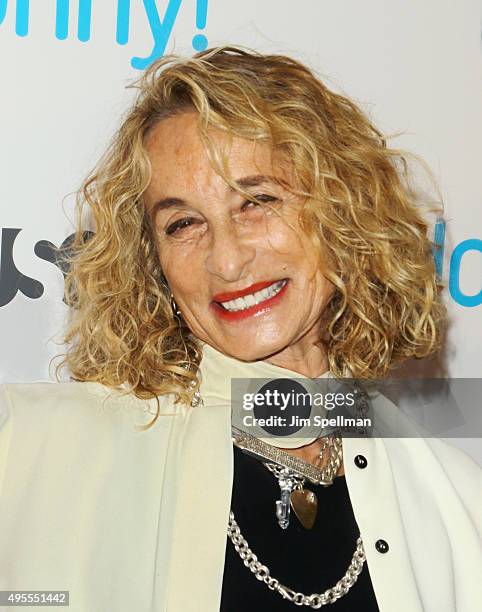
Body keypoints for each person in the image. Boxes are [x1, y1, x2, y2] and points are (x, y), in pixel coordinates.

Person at [0, 45, 480, 612]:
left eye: (256, 202)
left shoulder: (455, 499)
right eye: (183, 223)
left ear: (342, 212)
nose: (225, 261)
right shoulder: (25, 447)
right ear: (150, 260)